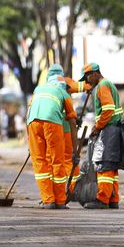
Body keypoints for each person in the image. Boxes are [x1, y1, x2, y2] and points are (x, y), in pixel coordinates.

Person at [27, 65, 78, 209]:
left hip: (32, 123)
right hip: (52, 123)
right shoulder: (63, 92)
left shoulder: (38, 89)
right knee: (57, 160)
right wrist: (75, 149)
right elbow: (73, 122)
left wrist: (29, 144)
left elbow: (28, 111)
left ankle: (48, 200)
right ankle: (60, 201)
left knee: (40, 161)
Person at [81, 62, 124, 209]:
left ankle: (102, 199)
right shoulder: (107, 84)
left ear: (95, 74)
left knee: (104, 164)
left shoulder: (102, 87)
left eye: (88, 77)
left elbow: (108, 110)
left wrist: (97, 127)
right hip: (115, 128)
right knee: (112, 165)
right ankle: (113, 198)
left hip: (109, 129)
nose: (87, 81)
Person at [45, 64, 92, 195]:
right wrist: (90, 86)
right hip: (66, 127)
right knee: (69, 158)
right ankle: (73, 188)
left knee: (51, 158)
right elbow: (81, 86)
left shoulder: (46, 86)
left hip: (48, 127)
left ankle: (52, 191)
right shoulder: (64, 82)